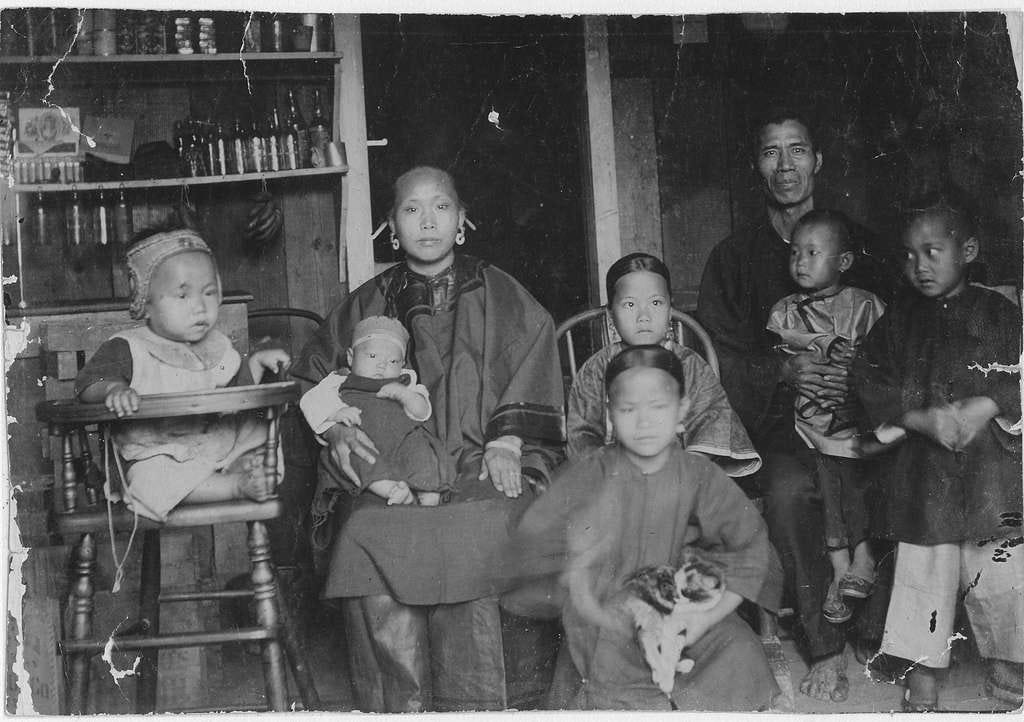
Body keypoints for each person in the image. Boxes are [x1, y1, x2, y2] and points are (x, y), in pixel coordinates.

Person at [290, 165, 564, 712]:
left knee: (486, 516)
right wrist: (338, 427)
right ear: (392, 226)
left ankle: (477, 703)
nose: (427, 221)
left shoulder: (501, 292)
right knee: (369, 527)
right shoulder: (365, 305)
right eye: (411, 210)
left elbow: (536, 359)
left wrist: (508, 440)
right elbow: (312, 377)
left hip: (480, 458)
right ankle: (398, 705)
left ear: (462, 220)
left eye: (441, 207)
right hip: (390, 468)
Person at [695, 108, 898, 702]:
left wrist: (860, 382)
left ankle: (874, 626)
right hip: (779, 427)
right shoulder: (733, 257)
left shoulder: (859, 247)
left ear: (818, 159)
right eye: (770, 152)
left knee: (897, 472)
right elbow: (719, 357)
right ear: (755, 165)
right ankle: (825, 645)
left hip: (861, 420)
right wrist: (781, 369)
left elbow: (897, 341)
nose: (785, 166)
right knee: (786, 491)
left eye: (798, 150)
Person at [506, 345, 783, 710]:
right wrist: (578, 573)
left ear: (682, 411)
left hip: (680, 605)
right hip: (609, 614)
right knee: (611, 673)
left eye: (658, 407)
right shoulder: (592, 472)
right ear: (608, 415)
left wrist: (703, 618)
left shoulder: (699, 475)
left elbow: (747, 546)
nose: (644, 422)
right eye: (628, 409)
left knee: (738, 652)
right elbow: (540, 537)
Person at [853, 199, 1022, 712]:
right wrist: (917, 418)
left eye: (933, 252)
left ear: (967, 251)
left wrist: (986, 404)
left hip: (988, 463)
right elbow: (870, 378)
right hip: (924, 468)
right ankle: (920, 667)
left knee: (999, 562)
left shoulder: (1000, 312)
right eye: (909, 256)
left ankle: (1008, 661)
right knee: (923, 568)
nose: (919, 266)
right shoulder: (899, 318)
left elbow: (1017, 369)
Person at [75, 227, 290, 523]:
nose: (200, 307)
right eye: (183, 295)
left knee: (262, 431)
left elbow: (238, 394)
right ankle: (233, 487)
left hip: (215, 447)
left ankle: (248, 472)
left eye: (209, 292)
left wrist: (255, 364)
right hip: (157, 453)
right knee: (147, 481)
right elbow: (88, 384)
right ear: (145, 302)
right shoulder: (129, 348)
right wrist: (112, 389)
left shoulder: (219, 347)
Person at [765, 209, 886, 625]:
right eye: (795, 252)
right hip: (808, 422)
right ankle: (840, 571)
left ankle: (865, 556)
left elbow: (883, 365)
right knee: (823, 470)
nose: (800, 261)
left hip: (856, 417)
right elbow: (777, 364)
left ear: (844, 261)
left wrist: (859, 375)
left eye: (813, 252)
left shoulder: (865, 306)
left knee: (859, 470)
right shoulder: (784, 312)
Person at [566, 253, 761, 478]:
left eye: (656, 303)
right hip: (615, 479)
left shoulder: (691, 365)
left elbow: (713, 418)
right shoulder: (596, 368)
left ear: (670, 310)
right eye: (630, 304)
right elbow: (581, 433)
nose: (643, 316)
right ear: (611, 316)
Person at [299, 315, 449, 517]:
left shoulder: (406, 382)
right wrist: (335, 412)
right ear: (351, 357)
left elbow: (423, 412)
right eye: (372, 356)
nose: (382, 365)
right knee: (357, 456)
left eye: (393, 360)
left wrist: (404, 394)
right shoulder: (338, 380)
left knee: (422, 451)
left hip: (401, 442)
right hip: (363, 441)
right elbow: (311, 401)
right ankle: (389, 488)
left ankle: (428, 492)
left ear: (403, 363)